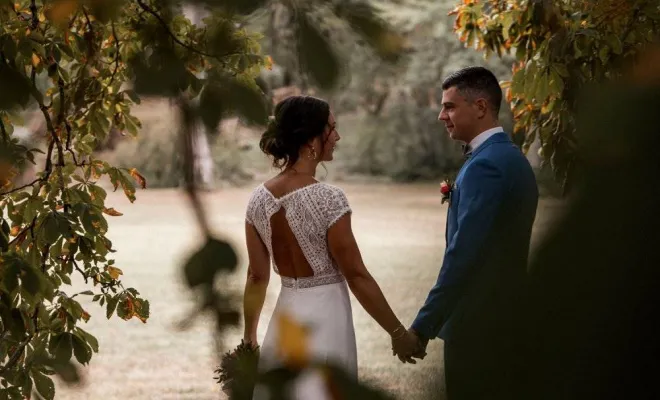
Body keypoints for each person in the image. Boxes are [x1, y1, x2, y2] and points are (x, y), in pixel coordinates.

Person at [242, 95, 421, 399]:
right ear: (312, 139)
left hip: (285, 318)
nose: (337, 137)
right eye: (332, 129)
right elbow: (357, 275)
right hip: (326, 318)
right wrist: (398, 333)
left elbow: (256, 277)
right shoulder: (329, 199)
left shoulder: (257, 200)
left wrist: (249, 338)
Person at [398, 66, 539, 399]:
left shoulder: (486, 166)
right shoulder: (510, 158)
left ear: (480, 107)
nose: (440, 115)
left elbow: (463, 254)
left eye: (449, 106)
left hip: (480, 323)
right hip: (507, 317)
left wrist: (421, 327)